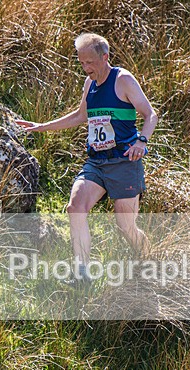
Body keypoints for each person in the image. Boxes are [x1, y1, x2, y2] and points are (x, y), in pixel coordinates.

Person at [17, 33, 158, 279]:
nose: (86, 68)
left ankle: (151, 261)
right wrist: (41, 126)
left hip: (125, 161)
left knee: (126, 226)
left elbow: (150, 114)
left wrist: (141, 141)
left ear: (105, 57)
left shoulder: (122, 80)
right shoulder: (89, 84)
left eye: (90, 62)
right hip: (97, 162)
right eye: (81, 62)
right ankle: (82, 272)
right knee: (76, 207)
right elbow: (80, 116)